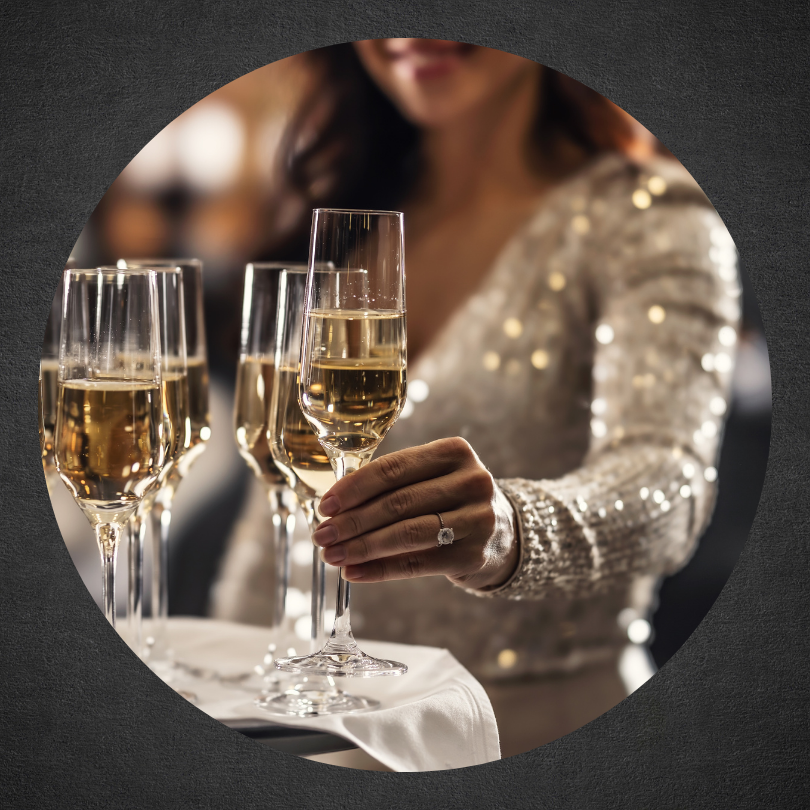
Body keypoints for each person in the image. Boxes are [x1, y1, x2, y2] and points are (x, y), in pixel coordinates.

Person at [211, 39, 740, 765]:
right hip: (316, 731)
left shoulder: (650, 218)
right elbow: (275, 514)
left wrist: (511, 530)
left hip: (533, 735)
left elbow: (667, 483)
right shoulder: (350, 208)